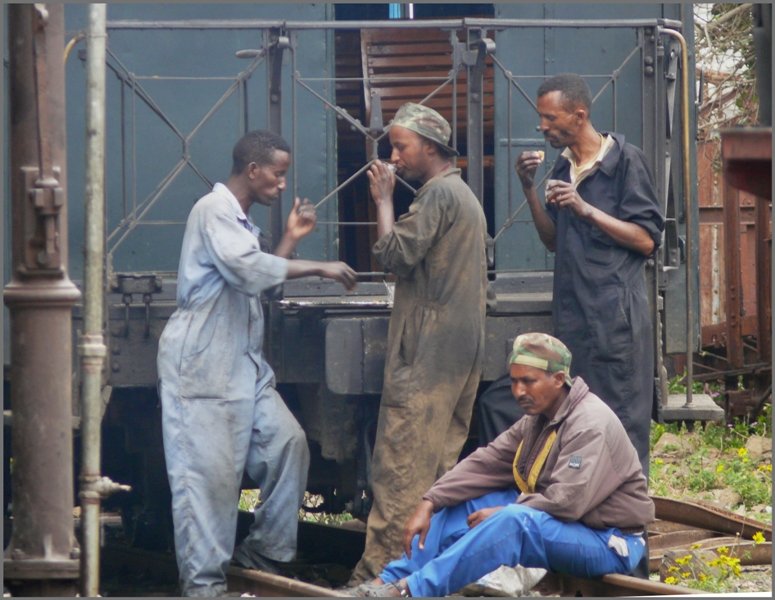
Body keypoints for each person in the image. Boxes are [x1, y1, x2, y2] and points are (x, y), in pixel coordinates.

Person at [156, 129, 357, 597]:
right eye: (278, 173)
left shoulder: (240, 221)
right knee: (207, 482)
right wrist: (319, 265)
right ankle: (204, 587)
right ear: (252, 170)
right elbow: (248, 270)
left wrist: (288, 240)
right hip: (203, 365)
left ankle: (264, 555)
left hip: (242, 364)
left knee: (288, 444)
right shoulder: (212, 210)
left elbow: (254, 278)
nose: (283, 184)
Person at [346, 333, 655, 597]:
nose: (519, 391)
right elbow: (487, 461)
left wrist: (506, 512)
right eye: (514, 381)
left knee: (514, 521)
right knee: (464, 503)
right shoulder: (539, 419)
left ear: (559, 379)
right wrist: (431, 500)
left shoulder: (589, 424)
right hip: (568, 525)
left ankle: (409, 591)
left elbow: (568, 501)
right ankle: (385, 582)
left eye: (528, 382)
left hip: (608, 541)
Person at [349, 103, 489, 583]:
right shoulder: (463, 195)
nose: (394, 155)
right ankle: (418, 573)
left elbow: (395, 256)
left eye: (400, 145)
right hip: (458, 356)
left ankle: (379, 578)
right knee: (436, 473)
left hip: (426, 355)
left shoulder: (435, 197)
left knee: (401, 471)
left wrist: (384, 200)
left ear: (430, 147)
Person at [506, 73, 665, 478]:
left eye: (550, 117)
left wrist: (585, 208)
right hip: (574, 319)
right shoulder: (563, 166)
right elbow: (554, 242)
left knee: (621, 423)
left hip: (615, 322)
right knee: (577, 426)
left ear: (579, 115)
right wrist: (528, 189)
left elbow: (647, 240)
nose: (542, 126)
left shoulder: (626, 162)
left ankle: (629, 527)